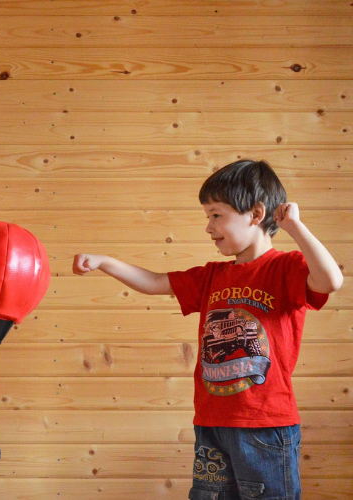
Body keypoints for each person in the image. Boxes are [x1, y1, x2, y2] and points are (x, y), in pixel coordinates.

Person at [72, 159, 342, 499]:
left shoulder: (286, 267)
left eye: (216, 215)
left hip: (265, 425)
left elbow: (331, 280)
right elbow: (155, 282)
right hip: (212, 422)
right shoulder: (213, 276)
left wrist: (296, 228)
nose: (209, 226)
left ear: (256, 214)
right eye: (207, 216)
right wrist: (104, 262)